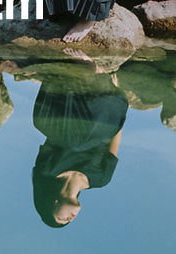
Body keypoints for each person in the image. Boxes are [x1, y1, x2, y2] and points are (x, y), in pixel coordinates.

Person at [30, 77, 128, 228]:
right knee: (81, 140)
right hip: (105, 116)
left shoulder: (48, 169)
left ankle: (69, 79)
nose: (71, 218)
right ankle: (96, 83)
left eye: (63, 219)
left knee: (50, 128)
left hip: (72, 117)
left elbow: (54, 134)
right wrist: (117, 101)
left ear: (53, 204)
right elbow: (115, 136)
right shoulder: (101, 179)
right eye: (69, 221)